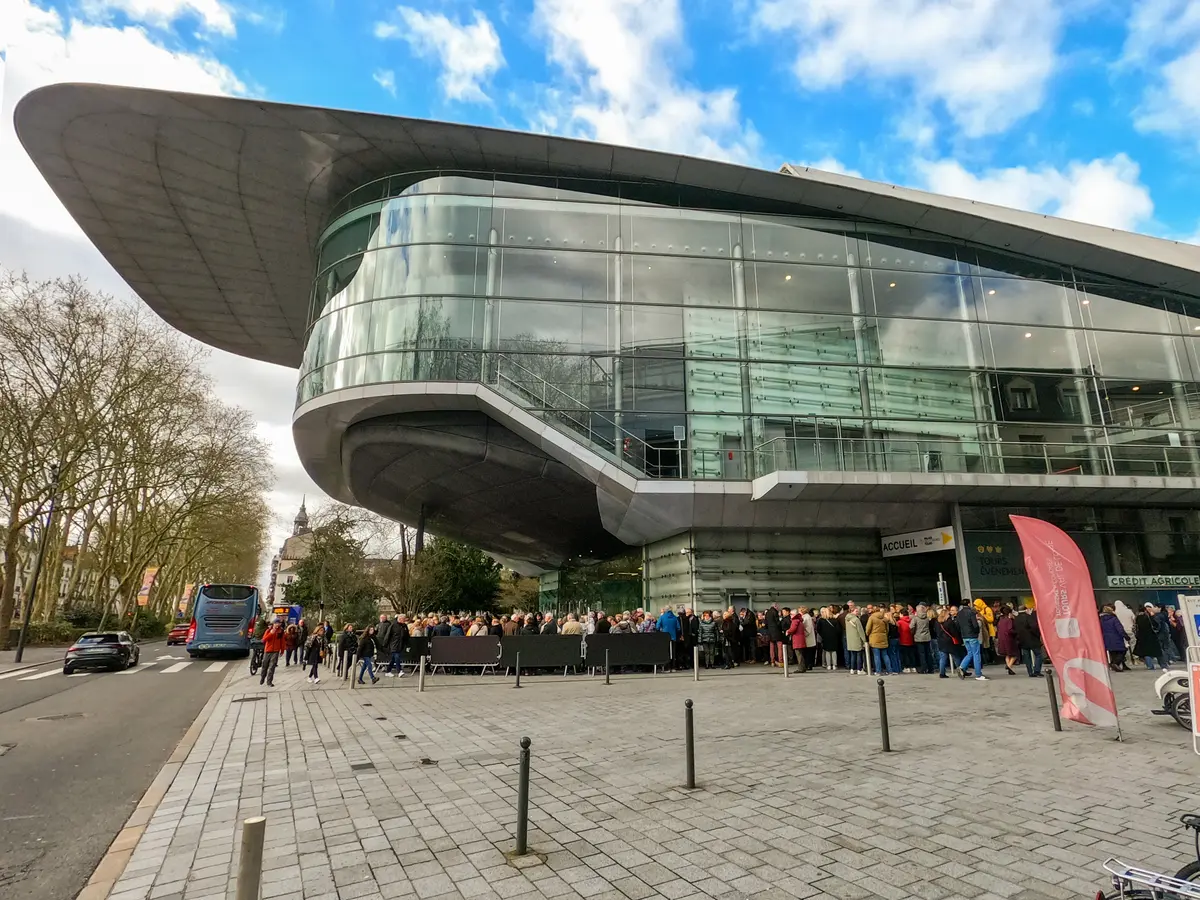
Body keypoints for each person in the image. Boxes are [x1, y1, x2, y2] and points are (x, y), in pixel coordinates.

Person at [956, 599, 986, 680]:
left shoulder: (959, 613)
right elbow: (975, 625)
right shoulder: (972, 612)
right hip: (972, 635)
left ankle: (961, 667)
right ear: (969, 604)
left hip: (964, 636)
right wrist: (976, 633)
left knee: (970, 653)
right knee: (976, 654)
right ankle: (978, 674)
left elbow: (958, 626)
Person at [1013, 605, 1042, 677]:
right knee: (1038, 655)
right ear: (1026, 610)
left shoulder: (1016, 619)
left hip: (1022, 640)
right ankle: (1037, 670)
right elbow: (1034, 627)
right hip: (1032, 639)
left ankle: (1030, 672)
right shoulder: (1029, 617)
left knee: (1027, 657)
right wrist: (1037, 635)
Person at [1134, 604, 1165, 669]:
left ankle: (1150, 666)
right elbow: (1155, 624)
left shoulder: (1137, 618)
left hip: (1142, 637)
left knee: (1147, 653)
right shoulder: (1148, 616)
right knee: (1158, 652)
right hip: (1152, 636)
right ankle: (1163, 665)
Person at [1100, 605, 1129, 672]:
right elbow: (1120, 629)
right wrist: (1126, 636)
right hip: (1116, 638)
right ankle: (1114, 664)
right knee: (1122, 651)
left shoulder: (1101, 620)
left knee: (1113, 653)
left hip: (1106, 639)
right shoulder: (1114, 619)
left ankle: (1115, 665)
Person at [934, 607, 961, 678]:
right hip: (950, 641)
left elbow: (936, 631)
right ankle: (961, 670)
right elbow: (954, 632)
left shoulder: (937, 622)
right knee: (956, 657)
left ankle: (942, 673)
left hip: (941, 642)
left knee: (943, 658)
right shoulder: (949, 622)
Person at [865, 607, 891, 675]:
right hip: (883, 638)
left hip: (874, 639)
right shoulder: (884, 618)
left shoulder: (872, 618)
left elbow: (868, 628)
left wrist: (868, 634)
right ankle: (889, 670)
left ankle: (878, 671)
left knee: (876, 656)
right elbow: (887, 629)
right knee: (885, 655)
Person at [995, 605, 1019, 676]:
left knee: (1007, 654)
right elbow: (1010, 630)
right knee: (1014, 654)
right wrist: (1016, 632)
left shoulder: (1000, 620)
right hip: (1009, 639)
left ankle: (1009, 668)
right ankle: (1009, 666)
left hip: (1001, 638)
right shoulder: (1009, 620)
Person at [910, 604, 933, 674]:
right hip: (927, 637)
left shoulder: (915, 618)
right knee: (928, 653)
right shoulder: (927, 618)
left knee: (921, 654)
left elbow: (911, 627)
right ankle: (930, 668)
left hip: (919, 637)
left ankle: (923, 668)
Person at [260, 621, 284, 687]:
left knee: (272, 667)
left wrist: (282, 650)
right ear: (273, 624)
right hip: (267, 650)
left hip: (275, 651)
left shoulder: (281, 631)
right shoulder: (268, 630)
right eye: (276, 623)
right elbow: (264, 640)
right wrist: (271, 633)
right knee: (265, 666)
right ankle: (262, 677)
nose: (277, 624)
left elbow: (282, 641)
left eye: (278, 623)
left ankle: (269, 682)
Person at [844, 609, 866, 674]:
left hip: (850, 639)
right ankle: (859, 669)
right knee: (859, 655)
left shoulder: (846, 619)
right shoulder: (856, 620)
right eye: (856, 611)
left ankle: (852, 669)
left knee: (853, 655)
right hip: (857, 639)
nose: (857, 612)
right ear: (852, 611)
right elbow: (860, 631)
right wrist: (864, 640)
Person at [786, 607, 807, 672]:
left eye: (791, 614)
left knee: (799, 654)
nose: (790, 616)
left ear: (794, 614)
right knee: (801, 654)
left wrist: (788, 631)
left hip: (797, 639)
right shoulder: (800, 620)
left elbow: (793, 629)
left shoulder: (795, 620)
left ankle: (801, 669)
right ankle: (803, 667)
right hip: (801, 639)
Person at [898, 608, 915, 673]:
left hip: (903, 640)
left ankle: (906, 667)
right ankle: (913, 667)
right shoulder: (911, 620)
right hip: (911, 640)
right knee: (911, 654)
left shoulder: (900, 622)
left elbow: (899, 631)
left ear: (902, 614)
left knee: (905, 655)